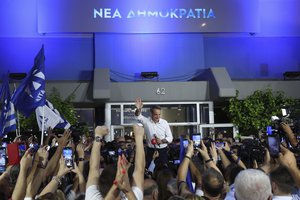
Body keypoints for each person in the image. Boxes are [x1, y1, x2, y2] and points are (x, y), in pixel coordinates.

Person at [135, 97, 173, 168]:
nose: (158, 116)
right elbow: (138, 116)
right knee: (148, 168)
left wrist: (161, 141)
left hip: (163, 151)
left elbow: (170, 138)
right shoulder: (146, 121)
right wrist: (139, 109)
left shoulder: (164, 123)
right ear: (151, 114)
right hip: (150, 151)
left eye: (159, 114)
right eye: (156, 114)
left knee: (163, 170)